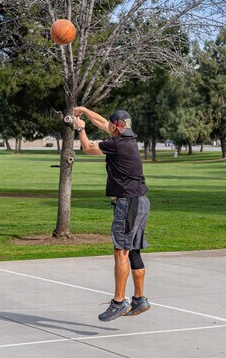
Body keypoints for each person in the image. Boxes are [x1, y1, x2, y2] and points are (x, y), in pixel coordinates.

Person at [73, 106, 151, 322]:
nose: (109, 128)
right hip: (141, 202)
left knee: (121, 252)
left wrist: (80, 128)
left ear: (116, 128)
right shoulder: (128, 139)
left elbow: (88, 148)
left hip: (128, 203)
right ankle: (139, 299)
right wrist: (84, 111)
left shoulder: (116, 145)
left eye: (112, 126)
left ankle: (119, 302)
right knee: (133, 251)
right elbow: (102, 123)